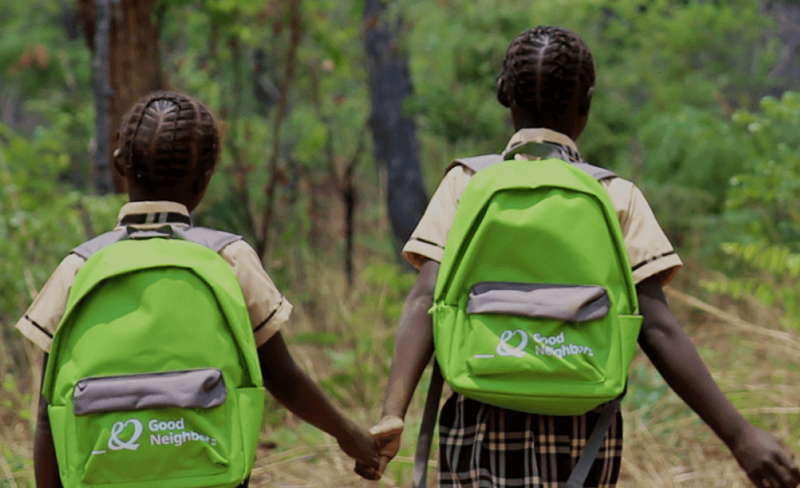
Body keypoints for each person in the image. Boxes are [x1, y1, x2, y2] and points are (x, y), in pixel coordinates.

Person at [356, 26, 800, 488]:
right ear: (586, 102)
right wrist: (739, 435)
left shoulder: (465, 184)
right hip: (582, 427)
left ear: (504, 95)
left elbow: (424, 297)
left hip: (478, 415)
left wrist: (393, 413)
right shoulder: (616, 196)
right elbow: (658, 327)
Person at [16, 91, 380, 488]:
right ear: (206, 176)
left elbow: (47, 414)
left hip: (102, 471)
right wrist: (351, 436)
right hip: (209, 471)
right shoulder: (229, 257)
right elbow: (282, 377)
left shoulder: (79, 266)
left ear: (121, 164)